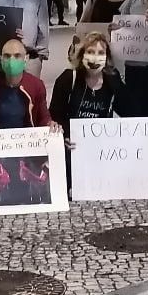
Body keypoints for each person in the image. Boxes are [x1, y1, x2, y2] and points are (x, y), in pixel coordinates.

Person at [50, 30, 129, 194]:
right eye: (90, 52)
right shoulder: (67, 79)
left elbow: (129, 112)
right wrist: (63, 137)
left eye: (101, 53)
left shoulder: (112, 80)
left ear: (107, 57)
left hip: (99, 149)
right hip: (71, 148)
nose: (95, 57)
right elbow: (55, 115)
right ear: (82, 54)